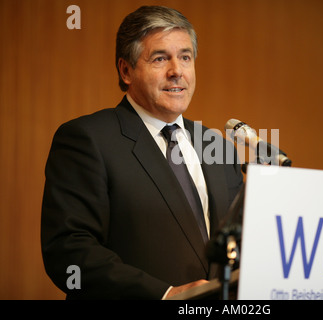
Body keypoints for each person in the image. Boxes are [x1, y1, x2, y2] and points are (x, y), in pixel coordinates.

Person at [41, 5, 243, 299]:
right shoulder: (88, 139)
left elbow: (239, 245)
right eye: (160, 58)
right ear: (126, 70)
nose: (177, 72)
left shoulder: (218, 147)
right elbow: (69, 251)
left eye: (185, 57)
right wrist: (165, 295)